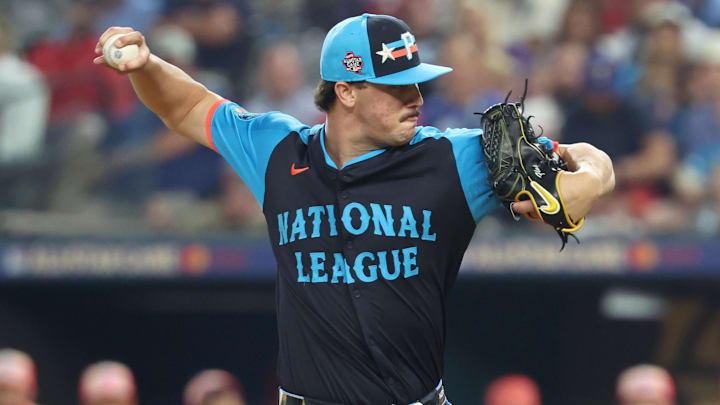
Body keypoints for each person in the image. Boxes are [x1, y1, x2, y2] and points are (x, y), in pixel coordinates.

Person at [93, 13, 614, 405]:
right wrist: (146, 63)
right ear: (345, 91)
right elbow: (188, 106)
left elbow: (590, 161)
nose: (416, 97)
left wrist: (588, 179)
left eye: (417, 81)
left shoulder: (454, 157)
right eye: (396, 86)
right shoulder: (279, 151)